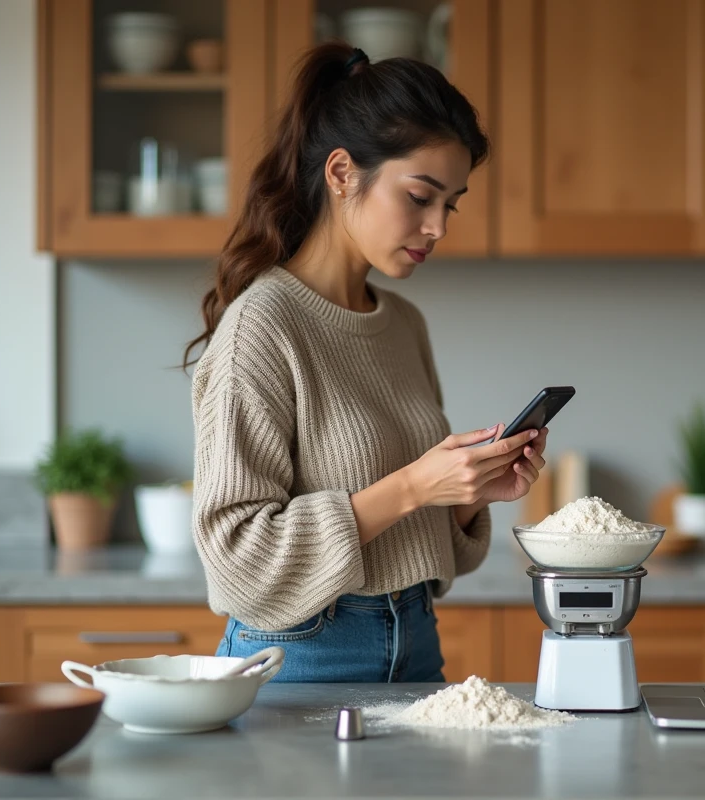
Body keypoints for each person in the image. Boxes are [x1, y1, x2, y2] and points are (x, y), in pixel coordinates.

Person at [183, 43, 548, 682]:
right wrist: (413, 487)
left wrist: (464, 497)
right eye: (420, 195)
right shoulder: (262, 328)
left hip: (417, 645)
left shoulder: (403, 324)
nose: (438, 226)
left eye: (451, 203)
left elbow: (422, 547)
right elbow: (237, 560)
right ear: (343, 173)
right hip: (298, 654)